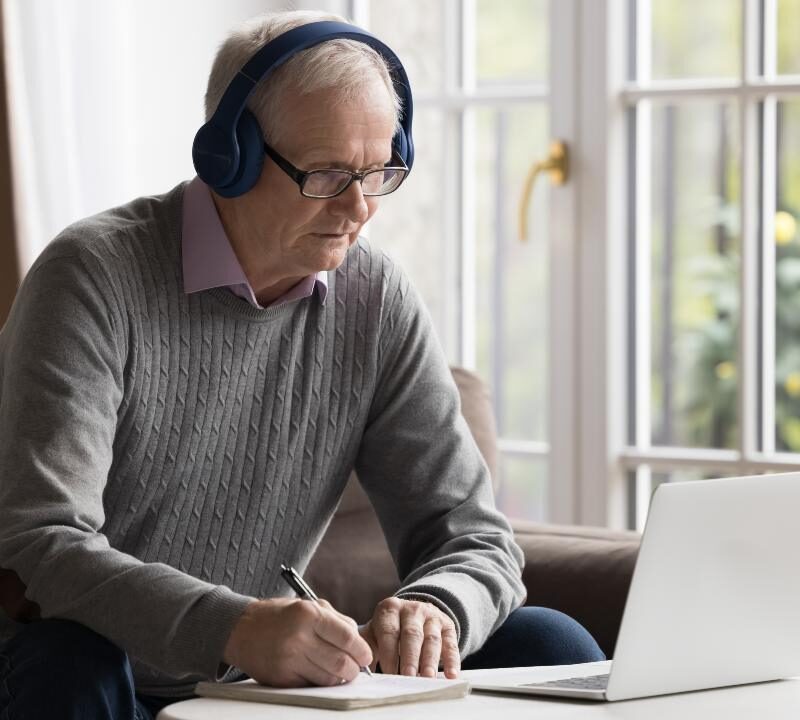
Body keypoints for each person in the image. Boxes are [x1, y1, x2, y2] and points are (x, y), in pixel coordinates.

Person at [0, 10, 604, 719]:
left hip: (253, 688)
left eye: (379, 171)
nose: (359, 208)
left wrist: (438, 607)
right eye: (327, 174)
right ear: (230, 156)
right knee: (76, 665)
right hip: (79, 664)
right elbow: (43, 540)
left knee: (548, 640)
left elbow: (474, 536)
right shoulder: (93, 276)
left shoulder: (375, 297)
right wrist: (231, 626)